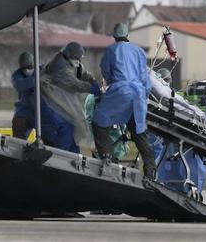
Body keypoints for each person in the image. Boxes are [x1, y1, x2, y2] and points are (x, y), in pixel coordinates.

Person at [92, 22, 156, 179]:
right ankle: (150, 168)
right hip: (139, 93)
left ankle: (109, 159)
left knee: (99, 122)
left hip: (120, 91)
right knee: (138, 130)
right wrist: (145, 95)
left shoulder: (111, 50)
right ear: (127, 35)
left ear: (114, 36)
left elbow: (106, 71)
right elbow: (145, 77)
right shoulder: (139, 51)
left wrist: (111, 83)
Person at [40, 42, 99, 152]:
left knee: (73, 130)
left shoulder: (72, 61)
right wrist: (91, 88)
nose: (78, 61)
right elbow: (74, 84)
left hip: (63, 100)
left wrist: (92, 80)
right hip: (52, 102)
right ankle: (59, 157)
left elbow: (81, 72)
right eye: (77, 58)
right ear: (70, 55)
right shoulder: (59, 65)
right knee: (66, 129)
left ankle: (74, 156)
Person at [11, 51, 36, 139]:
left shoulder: (42, 70)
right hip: (25, 111)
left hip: (42, 111)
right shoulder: (17, 75)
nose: (27, 70)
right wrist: (37, 79)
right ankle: (18, 146)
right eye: (24, 68)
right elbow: (20, 85)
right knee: (18, 124)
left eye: (29, 67)